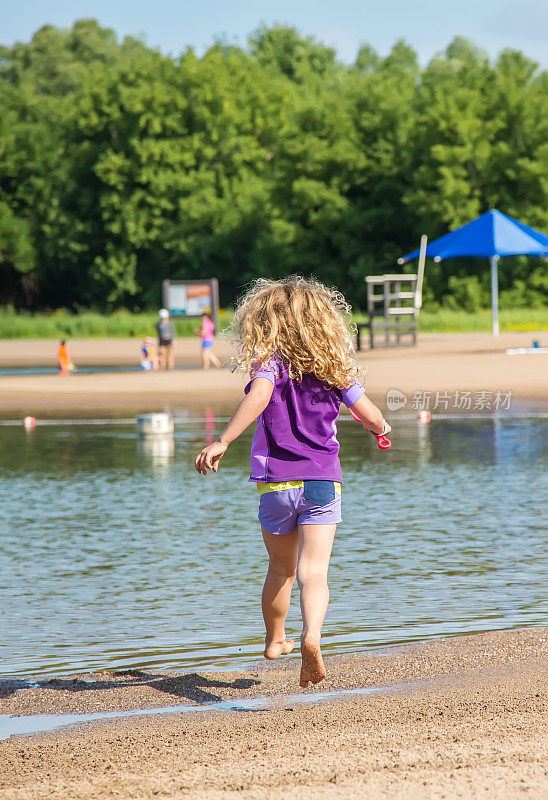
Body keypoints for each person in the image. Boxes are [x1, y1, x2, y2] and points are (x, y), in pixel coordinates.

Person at [194, 276, 391, 688]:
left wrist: (223, 440)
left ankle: (275, 639)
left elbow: (259, 397)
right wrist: (379, 428)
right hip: (322, 481)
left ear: (264, 322)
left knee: (280, 568)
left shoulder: (270, 364)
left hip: (277, 485)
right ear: (323, 322)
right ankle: (312, 636)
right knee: (314, 572)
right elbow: (370, 413)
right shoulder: (333, 368)